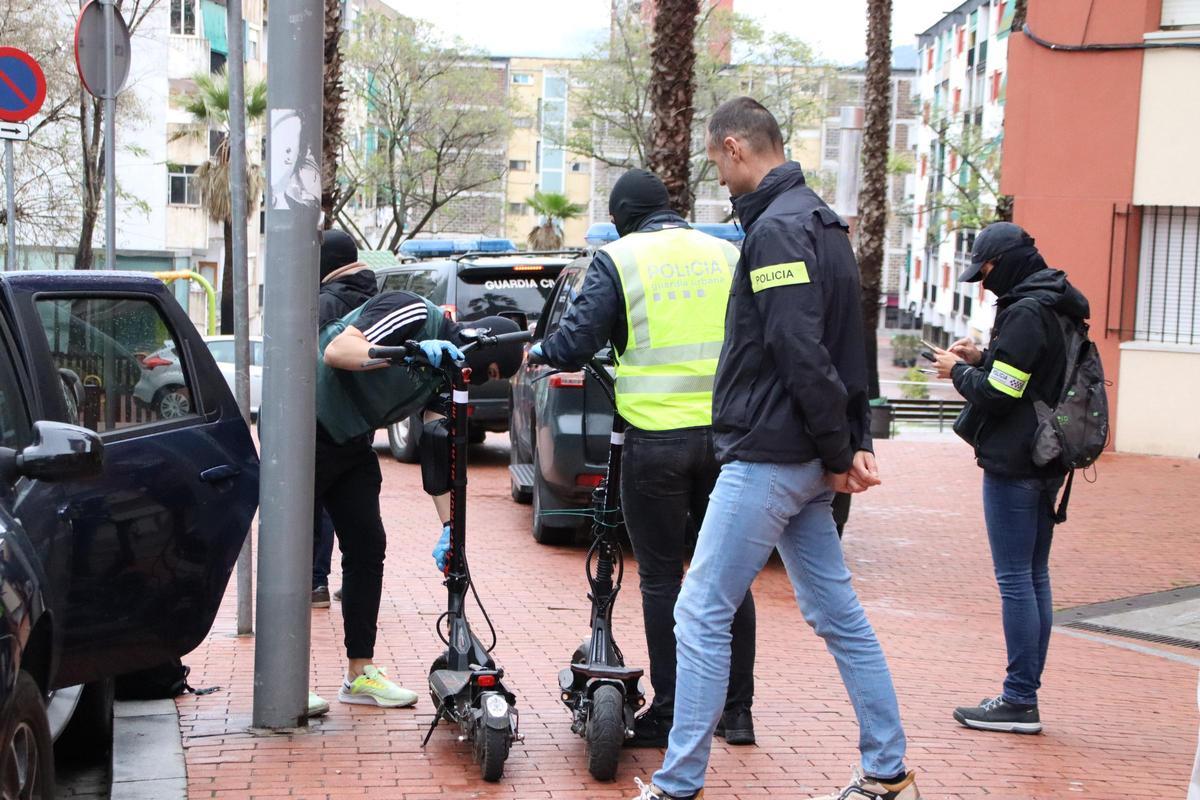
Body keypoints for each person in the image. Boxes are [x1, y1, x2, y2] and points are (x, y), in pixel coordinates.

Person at [632, 97, 921, 800]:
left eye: (714, 159)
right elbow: (843, 349)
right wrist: (845, 443)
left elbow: (800, 350)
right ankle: (887, 771)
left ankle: (677, 785)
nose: (717, 174)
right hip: (802, 455)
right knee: (837, 615)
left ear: (735, 147)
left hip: (770, 456)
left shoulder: (776, 232)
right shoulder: (823, 222)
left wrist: (835, 450)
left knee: (699, 611)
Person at [532, 168, 758, 747]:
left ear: (622, 215)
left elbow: (577, 341)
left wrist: (539, 349)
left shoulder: (621, 258)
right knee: (729, 576)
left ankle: (672, 711)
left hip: (656, 440)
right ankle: (736, 713)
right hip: (730, 440)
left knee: (662, 576)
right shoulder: (726, 253)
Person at [315, 286, 524, 709]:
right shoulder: (412, 311)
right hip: (306, 425)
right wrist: (401, 352)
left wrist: (452, 529)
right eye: (491, 372)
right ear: (480, 342)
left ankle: (359, 674)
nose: (482, 380)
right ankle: (283, 681)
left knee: (368, 547)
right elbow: (338, 351)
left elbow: (434, 447)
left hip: (350, 440)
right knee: (294, 555)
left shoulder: (445, 373)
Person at [930, 221, 1089, 735]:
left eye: (988, 270)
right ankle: (1024, 695)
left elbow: (1000, 395)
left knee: (1016, 581)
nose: (983, 282)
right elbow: (1023, 374)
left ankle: (1020, 699)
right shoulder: (1053, 300)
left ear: (1008, 262)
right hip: (1046, 457)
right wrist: (982, 356)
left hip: (1017, 460)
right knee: (1034, 576)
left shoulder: (1024, 312)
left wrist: (956, 371)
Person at [312, 230, 379, 608]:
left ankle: (314, 580)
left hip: (323, 419)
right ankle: (351, 583)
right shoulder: (372, 295)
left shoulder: (324, 303)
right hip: (362, 418)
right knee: (357, 515)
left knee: (315, 501)